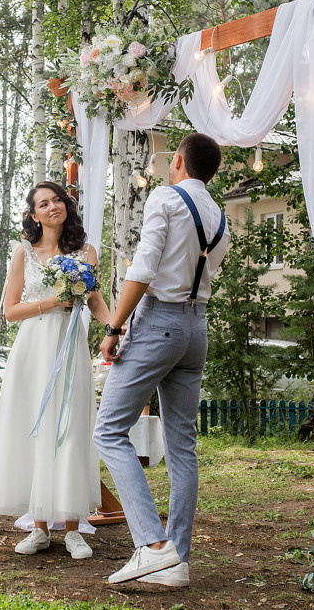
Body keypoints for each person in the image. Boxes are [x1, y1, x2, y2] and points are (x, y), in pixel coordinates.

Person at [93, 133, 231, 587]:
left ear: (178, 161)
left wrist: (114, 326)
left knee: (109, 430)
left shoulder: (166, 198)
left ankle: (152, 546)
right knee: (182, 446)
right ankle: (178, 560)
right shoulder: (220, 217)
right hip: (197, 327)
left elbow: (144, 268)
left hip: (160, 323)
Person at [0, 181, 112, 560]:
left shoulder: (86, 252)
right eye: (43, 203)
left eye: (57, 199)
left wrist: (113, 328)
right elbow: (9, 311)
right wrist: (53, 300)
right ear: (34, 214)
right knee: (38, 428)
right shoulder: (23, 253)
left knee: (71, 428)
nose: (53, 206)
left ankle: (73, 528)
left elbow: (95, 299)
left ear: (66, 205)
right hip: (35, 346)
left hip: (70, 345)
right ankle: (39, 527)